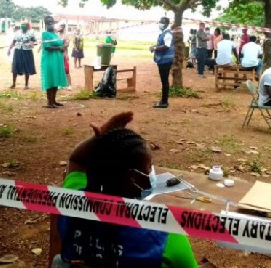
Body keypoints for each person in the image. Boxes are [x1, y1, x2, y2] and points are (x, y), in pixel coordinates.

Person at [56, 111, 199, 268]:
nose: (152, 171)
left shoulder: (70, 206)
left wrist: (99, 139)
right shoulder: (166, 238)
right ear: (133, 177)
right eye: (149, 166)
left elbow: (76, 160)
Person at [41, 16, 67, 108]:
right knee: (50, 79)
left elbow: (60, 44)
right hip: (49, 60)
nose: (50, 24)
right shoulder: (45, 34)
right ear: (45, 24)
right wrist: (59, 48)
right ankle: (49, 102)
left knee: (56, 79)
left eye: (51, 22)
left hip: (57, 59)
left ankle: (54, 100)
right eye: (48, 23)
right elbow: (47, 47)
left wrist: (64, 45)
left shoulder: (55, 34)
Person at [150, 17, 174, 109]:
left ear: (167, 24)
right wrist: (154, 46)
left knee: (164, 81)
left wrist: (155, 48)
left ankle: (164, 102)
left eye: (162, 22)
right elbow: (161, 44)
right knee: (164, 81)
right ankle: (164, 101)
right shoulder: (163, 33)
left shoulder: (167, 34)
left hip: (165, 61)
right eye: (160, 21)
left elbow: (166, 46)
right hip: (163, 60)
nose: (160, 23)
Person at [7, 22, 37, 89]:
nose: (22, 26)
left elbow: (34, 42)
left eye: (24, 25)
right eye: (22, 25)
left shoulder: (31, 33)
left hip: (27, 51)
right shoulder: (17, 33)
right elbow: (14, 41)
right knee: (15, 67)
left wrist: (31, 43)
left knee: (27, 67)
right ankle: (13, 84)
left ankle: (26, 85)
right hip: (18, 51)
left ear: (27, 26)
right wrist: (9, 49)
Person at [59, 24, 72, 90]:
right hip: (58, 55)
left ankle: (69, 85)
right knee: (59, 70)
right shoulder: (57, 35)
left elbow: (67, 44)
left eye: (60, 27)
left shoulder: (66, 35)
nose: (58, 28)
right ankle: (61, 84)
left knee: (66, 70)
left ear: (63, 28)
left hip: (64, 55)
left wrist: (61, 47)